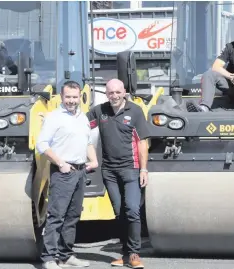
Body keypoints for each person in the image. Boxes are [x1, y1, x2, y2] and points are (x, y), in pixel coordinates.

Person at [36, 80, 98, 269]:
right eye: (68, 97)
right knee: (57, 215)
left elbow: (87, 142)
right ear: (61, 97)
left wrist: (94, 160)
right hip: (63, 171)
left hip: (80, 171)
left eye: (74, 97)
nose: (71, 100)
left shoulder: (82, 117)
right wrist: (60, 163)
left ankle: (66, 255)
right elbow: (42, 144)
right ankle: (49, 258)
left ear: (80, 97)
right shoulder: (54, 117)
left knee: (72, 216)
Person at [87, 78, 148, 269]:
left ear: (124, 92)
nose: (114, 96)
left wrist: (144, 169)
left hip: (131, 169)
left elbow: (142, 142)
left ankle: (135, 253)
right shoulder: (100, 111)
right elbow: (79, 124)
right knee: (120, 213)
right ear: (106, 94)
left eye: (117, 92)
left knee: (132, 210)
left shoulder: (135, 111)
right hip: (109, 171)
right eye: (110, 93)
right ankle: (124, 254)